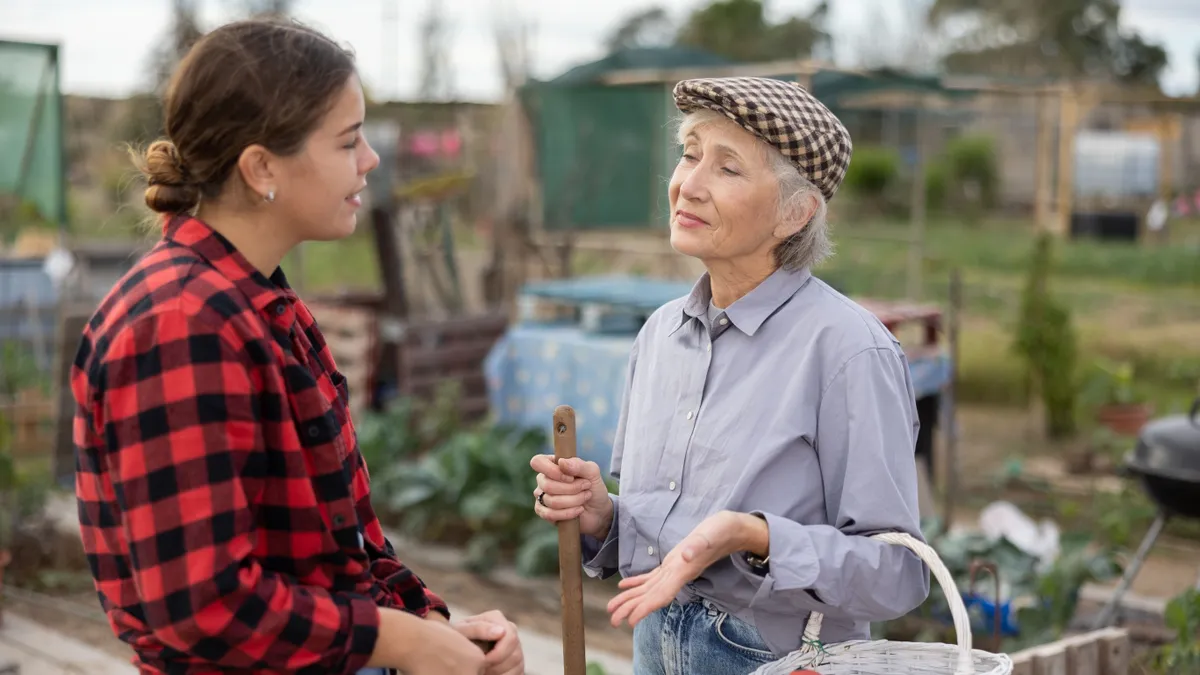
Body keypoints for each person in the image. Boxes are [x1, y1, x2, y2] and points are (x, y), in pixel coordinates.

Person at [71, 19, 523, 675]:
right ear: (261, 168)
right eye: (348, 140)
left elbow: (336, 544)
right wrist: (396, 640)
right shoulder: (181, 324)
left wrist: (430, 622)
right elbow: (202, 603)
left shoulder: (260, 303)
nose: (369, 159)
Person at [530, 76, 930, 674]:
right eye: (689, 155)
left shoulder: (849, 351)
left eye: (727, 168)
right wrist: (603, 516)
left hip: (775, 658)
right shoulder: (660, 336)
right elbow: (666, 533)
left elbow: (899, 574)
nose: (687, 185)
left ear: (794, 213)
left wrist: (755, 536)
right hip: (654, 645)